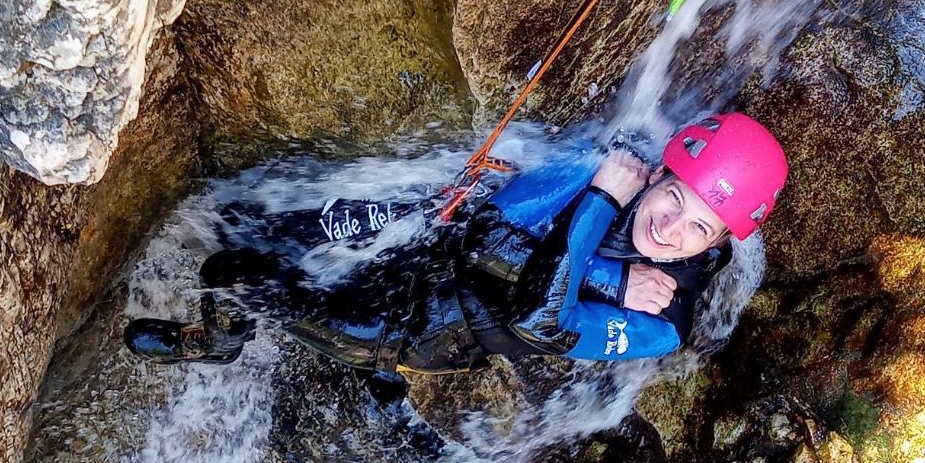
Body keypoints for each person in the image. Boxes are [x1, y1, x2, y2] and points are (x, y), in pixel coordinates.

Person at [125, 113, 788, 379]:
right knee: (241, 217)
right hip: (421, 247)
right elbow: (477, 239)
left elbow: (539, 322)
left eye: (696, 228)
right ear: (660, 173)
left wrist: (601, 205)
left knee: (232, 274)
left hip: (412, 327)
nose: (668, 230)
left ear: (720, 240)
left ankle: (212, 345)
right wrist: (610, 279)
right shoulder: (606, 169)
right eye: (671, 200)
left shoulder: (661, 326)